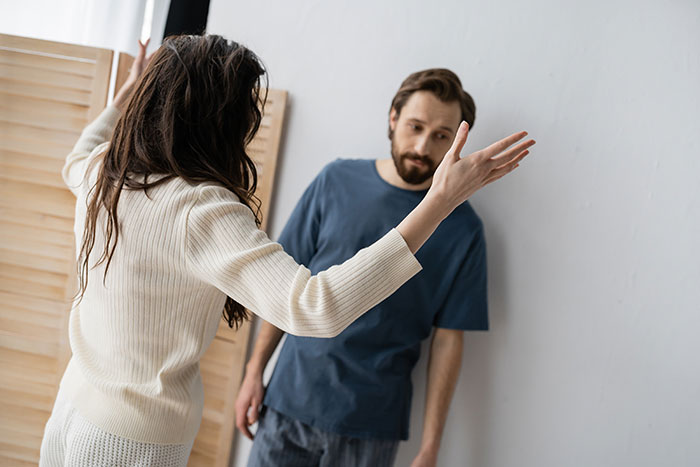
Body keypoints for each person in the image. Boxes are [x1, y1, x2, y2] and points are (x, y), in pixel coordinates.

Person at [39, 35, 532, 466]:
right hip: (134, 443)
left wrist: (128, 92)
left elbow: (77, 156)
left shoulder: (106, 173)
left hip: (71, 411)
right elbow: (314, 306)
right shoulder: (199, 209)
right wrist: (439, 201)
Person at [236, 68, 524, 467]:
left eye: (441, 135)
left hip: (371, 426)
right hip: (289, 402)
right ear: (393, 118)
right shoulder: (336, 180)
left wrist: (430, 447)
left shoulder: (463, 228)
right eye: (415, 126)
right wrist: (254, 372)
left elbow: (448, 341)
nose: (423, 146)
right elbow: (286, 283)